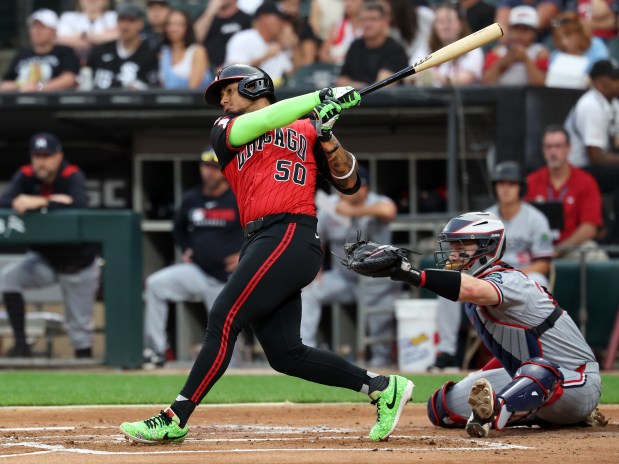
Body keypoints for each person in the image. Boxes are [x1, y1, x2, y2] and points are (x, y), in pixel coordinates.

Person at [119, 64, 414, 444]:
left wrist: (326, 133)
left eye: (228, 90)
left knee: (223, 318)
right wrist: (319, 97)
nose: (223, 100)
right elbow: (265, 119)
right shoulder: (225, 130)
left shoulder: (306, 128)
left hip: (291, 233)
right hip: (261, 240)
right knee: (285, 353)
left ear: (254, 85)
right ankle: (381, 387)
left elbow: (350, 183)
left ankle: (175, 415)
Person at [345, 211, 602, 438]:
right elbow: (513, 351)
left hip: (577, 381)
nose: (453, 252)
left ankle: (498, 412)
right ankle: (526, 410)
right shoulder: (476, 289)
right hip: (530, 374)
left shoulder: (511, 280)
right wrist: (479, 375)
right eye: (452, 244)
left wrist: (409, 274)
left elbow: (476, 290)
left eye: (462, 245)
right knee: (441, 407)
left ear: (487, 247)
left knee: (539, 370)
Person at [0, 132, 100, 358]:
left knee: (80, 330)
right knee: (9, 278)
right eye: (37, 155)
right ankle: (21, 346)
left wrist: (39, 202)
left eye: (47, 155)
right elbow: (5, 202)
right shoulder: (25, 174)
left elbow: (79, 206)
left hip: (79, 263)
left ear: (58, 156)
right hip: (46, 259)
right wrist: (52, 202)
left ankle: (84, 371)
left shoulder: (71, 174)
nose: (41, 161)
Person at [143, 147, 243, 367]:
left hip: (229, 279)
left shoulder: (238, 196)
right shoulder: (192, 198)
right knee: (155, 284)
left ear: (225, 171)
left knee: (229, 352)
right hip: (199, 271)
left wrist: (245, 255)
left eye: (215, 168)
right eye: (205, 166)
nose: (209, 172)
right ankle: (155, 350)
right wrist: (187, 248)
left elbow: (259, 230)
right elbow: (178, 229)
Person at [300, 166, 398, 367]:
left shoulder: (377, 201)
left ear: (363, 188)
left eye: (347, 186)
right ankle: (303, 349)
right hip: (343, 278)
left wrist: (354, 211)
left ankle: (382, 363)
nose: (341, 191)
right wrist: (314, 270)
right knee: (308, 291)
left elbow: (389, 211)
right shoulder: (331, 206)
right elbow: (318, 240)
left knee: (380, 328)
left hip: (377, 281)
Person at [525, 125, 606, 260]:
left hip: (571, 247)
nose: (553, 152)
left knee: (596, 255)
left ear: (568, 148)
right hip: (535, 248)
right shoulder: (530, 181)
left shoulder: (586, 181)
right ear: (543, 150)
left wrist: (560, 249)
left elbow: (589, 227)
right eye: (548, 147)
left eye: (558, 146)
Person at [486, 161, 554, 286]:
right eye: (501, 183)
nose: (505, 189)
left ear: (520, 187)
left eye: (511, 184)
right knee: (453, 284)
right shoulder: (484, 219)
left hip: (524, 276)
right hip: (491, 278)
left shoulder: (536, 219)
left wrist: (515, 277)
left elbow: (543, 264)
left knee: (539, 281)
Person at [0, 9, 80, 92]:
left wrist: (39, 87)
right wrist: (22, 85)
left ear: (54, 30)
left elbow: (69, 79)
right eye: (34, 27)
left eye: (42, 27)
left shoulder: (64, 52)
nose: (37, 31)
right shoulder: (21, 54)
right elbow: (4, 84)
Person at [336, 1, 409, 89]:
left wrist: (354, 87)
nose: (368, 24)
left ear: (385, 22)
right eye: (364, 19)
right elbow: (342, 79)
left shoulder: (395, 50)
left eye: (373, 19)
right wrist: (358, 87)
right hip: (356, 100)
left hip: (384, 102)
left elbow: (383, 84)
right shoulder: (355, 46)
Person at [408, 4, 484, 87]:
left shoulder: (473, 49)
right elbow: (408, 76)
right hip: (427, 97)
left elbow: (466, 80)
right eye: (440, 22)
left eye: (449, 21)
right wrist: (417, 76)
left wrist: (435, 76)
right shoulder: (426, 48)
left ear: (461, 24)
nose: (445, 27)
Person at [223, 2, 297, 88]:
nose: (283, 24)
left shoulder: (280, 44)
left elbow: (292, 75)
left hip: (276, 93)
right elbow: (233, 74)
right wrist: (266, 57)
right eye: (279, 19)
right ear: (264, 18)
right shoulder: (243, 39)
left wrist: (294, 47)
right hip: (247, 93)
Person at [87, 3, 159, 90]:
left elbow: (154, 89)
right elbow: (84, 80)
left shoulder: (149, 54)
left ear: (141, 24)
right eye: (122, 20)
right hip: (99, 102)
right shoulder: (101, 51)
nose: (125, 25)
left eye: (131, 20)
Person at [482, 5, 549, 86]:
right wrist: (500, 64)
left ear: (534, 33)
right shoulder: (497, 52)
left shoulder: (540, 53)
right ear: (510, 30)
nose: (519, 34)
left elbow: (541, 84)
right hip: (501, 96)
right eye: (516, 29)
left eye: (525, 30)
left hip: (529, 97)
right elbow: (485, 84)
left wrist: (525, 59)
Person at [546, 11, 609, 89]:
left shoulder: (596, 47)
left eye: (568, 35)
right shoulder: (555, 55)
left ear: (579, 32)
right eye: (559, 38)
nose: (564, 42)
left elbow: (602, 79)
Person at [159, 9, 212, 90]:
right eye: (169, 24)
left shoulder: (197, 51)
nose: (173, 29)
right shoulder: (163, 53)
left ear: (187, 27)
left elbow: (193, 88)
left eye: (179, 24)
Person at [194, 0, 253, 70]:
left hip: (236, 68)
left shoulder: (246, 18)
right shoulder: (204, 16)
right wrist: (210, 11)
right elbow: (195, 39)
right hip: (207, 69)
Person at [318, 0, 363, 66]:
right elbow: (323, 54)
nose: (348, 4)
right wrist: (334, 60)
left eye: (353, 1)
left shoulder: (369, 27)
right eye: (346, 1)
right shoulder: (336, 26)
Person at [495, 0, 562, 41]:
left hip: (540, 42)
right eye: (518, 29)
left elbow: (538, 23)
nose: (520, 33)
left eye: (524, 29)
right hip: (511, 45)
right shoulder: (508, 1)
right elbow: (501, 30)